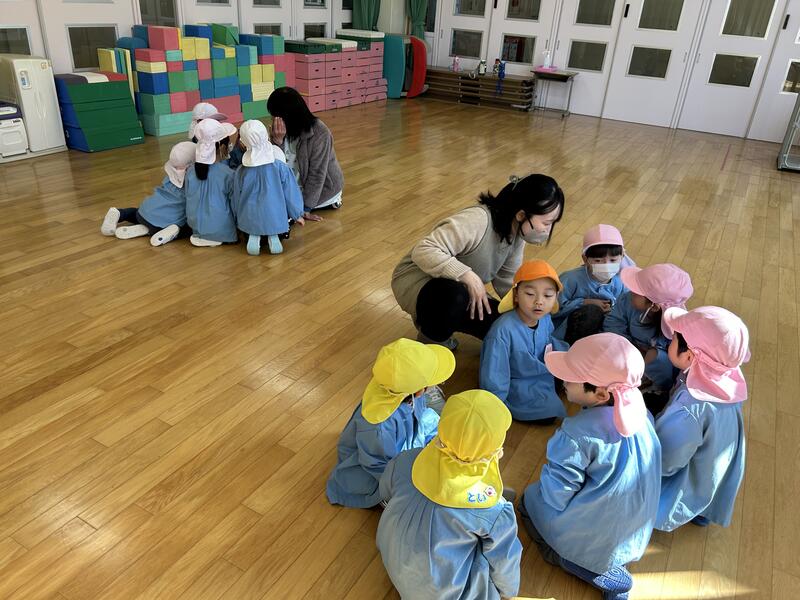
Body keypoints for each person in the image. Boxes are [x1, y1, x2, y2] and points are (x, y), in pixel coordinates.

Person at [519, 333, 661, 600]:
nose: (563, 381)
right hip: (635, 533)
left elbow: (556, 495)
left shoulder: (576, 434)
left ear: (600, 393)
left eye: (569, 377)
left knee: (528, 501)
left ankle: (587, 569)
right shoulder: (642, 415)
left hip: (592, 539)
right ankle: (601, 562)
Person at [391, 174, 565, 351]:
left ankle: (443, 322)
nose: (548, 230)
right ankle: (430, 343)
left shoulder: (517, 234)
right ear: (521, 215)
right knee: (455, 297)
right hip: (416, 281)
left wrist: (526, 310)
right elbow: (424, 250)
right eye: (546, 223)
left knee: (504, 326)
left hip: (458, 287)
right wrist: (467, 275)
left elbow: (507, 281)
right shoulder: (478, 220)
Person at [377, 389, 522, 600]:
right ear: (495, 450)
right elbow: (505, 564)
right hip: (440, 593)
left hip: (395, 563)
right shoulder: (495, 511)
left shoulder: (406, 459)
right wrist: (508, 593)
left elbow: (385, 492)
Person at [326, 338, 454, 509]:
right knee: (411, 499)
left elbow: (420, 415)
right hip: (375, 469)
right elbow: (378, 466)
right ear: (418, 391)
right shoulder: (378, 427)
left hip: (395, 441)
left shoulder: (395, 387)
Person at [655, 306, 749, 531]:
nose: (669, 341)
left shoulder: (690, 410)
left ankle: (681, 509)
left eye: (673, 339)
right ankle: (704, 511)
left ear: (689, 356)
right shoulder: (726, 373)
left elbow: (664, 462)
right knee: (707, 476)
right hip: (713, 468)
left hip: (686, 477)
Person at [480, 259, 567, 424]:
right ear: (516, 295)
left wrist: (566, 359)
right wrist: (494, 406)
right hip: (517, 382)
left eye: (548, 295)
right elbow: (495, 371)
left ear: (555, 297)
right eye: (530, 294)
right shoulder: (502, 330)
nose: (539, 301)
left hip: (542, 375)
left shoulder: (545, 319)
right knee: (547, 415)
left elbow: (550, 344)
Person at [603, 263, 693, 396]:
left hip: (655, 362)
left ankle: (657, 389)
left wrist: (647, 356)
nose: (631, 291)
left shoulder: (677, 325)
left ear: (654, 306)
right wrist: (629, 347)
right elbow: (613, 322)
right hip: (628, 348)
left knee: (657, 358)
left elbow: (675, 357)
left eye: (636, 292)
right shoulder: (627, 299)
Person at [267, 87, 344, 221]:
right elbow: (277, 166)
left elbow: (317, 175)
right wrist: (277, 141)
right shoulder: (282, 129)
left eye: (275, 115)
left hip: (322, 189)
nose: (274, 120)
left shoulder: (320, 133)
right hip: (296, 184)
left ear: (287, 115)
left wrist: (305, 208)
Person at [100, 141, 196, 246]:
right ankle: (174, 230)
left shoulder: (169, 177)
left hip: (144, 211)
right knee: (189, 228)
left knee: (134, 213)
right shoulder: (192, 185)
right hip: (164, 223)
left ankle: (119, 213)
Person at [553, 224, 635, 344]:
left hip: (606, 330)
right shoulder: (570, 279)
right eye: (598, 260)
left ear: (622, 256)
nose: (606, 265)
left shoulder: (621, 282)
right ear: (585, 259)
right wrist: (585, 302)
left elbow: (626, 309)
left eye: (613, 260)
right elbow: (553, 309)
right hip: (572, 332)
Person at [232, 120, 305, 256]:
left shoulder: (241, 171)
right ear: (266, 136)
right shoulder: (280, 167)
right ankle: (274, 238)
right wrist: (297, 214)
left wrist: (236, 214)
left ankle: (253, 239)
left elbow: (236, 196)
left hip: (249, 217)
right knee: (273, 221)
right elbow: (290, 193)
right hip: (275, 217)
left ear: (243, 143)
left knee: (252, 225)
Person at [184, 119, 238, 247]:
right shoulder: (228, 174)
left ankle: (204, 235)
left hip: (195, 226)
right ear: (222, 147)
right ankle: (215, 237)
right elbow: (235, 206)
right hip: (221, 230)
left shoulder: (190, 171)